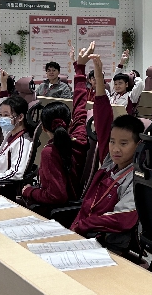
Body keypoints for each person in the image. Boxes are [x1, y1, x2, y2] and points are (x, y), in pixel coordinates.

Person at [70, 60, 144, 248]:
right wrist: (98, 73)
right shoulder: (109, 162)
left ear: (138, 145)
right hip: (78, 232)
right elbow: (102, 115)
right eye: (112, 142)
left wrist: (84, 225)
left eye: (124, 143)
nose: (115, 149)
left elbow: (123, 217)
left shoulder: (136, 178)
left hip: (100, 243)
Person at [21, 44, 94, 209]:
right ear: (69, 122)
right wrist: (80, 69)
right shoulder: (80, 138)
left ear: (44, 128)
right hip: (75, 203)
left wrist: (29, 191)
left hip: (56, 210)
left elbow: (56, 196)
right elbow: (80, 105)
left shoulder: (49, 152)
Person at [0, 95, 33, 197]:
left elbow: (16, 173)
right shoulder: (10, 133)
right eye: (0, 115)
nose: (2, 119)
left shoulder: (22, 142)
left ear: (20, 117)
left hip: (1, 188)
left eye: (6, 115)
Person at [109, 49, 145, 114]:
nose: (117, 86)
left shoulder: (131, 96)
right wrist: (122, 62)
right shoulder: (113, 93)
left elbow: (140, 84)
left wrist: (133, 76)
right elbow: (115, 76)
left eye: (120, 83)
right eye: (115, 84)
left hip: (124, 119)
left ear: (126, 84)